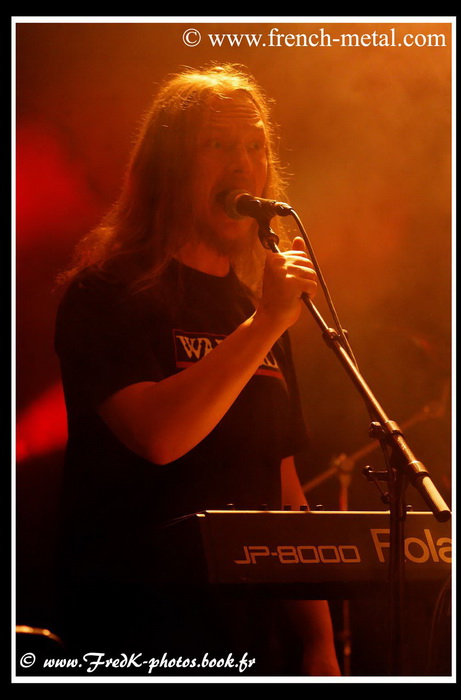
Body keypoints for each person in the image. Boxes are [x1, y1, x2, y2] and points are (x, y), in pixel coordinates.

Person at [54, 63, 341, 677]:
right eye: (218, 144)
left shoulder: (253, 310)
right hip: (134, 633)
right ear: (167, 166)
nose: (243, 165)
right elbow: (159, 437)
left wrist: (319, 645)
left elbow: (284, 492)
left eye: (255, 146)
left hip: (251, 642)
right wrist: (264, 325)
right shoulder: (106, 293)